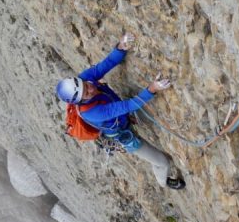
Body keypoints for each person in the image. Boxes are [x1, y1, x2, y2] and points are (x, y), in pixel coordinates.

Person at [56, 33, 186, 190]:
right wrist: (152, 88)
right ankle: (164, 182)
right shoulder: (92, 112)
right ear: (80, 100)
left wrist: (120, 47)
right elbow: (126, 106)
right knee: (162, 161)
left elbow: (107, 63)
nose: (91, 88)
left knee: (160, 159)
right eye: (87, 93)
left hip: (123, 118)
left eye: (87, 85)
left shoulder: (85, 79)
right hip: (122, 135)